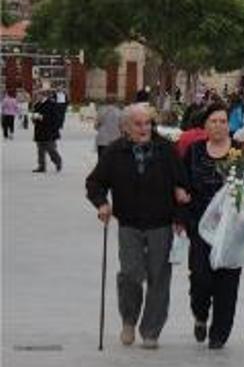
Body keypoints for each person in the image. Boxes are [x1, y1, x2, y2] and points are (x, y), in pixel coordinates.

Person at [85, 104, 188, 349]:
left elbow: (183, 184)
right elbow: (95, 183)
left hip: (160, 223)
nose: (144, 129)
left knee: (159, 278)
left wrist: (179, 216)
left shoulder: (166, 150)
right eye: (138, 124)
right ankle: (129, 320)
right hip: (129, 223)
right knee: (131, 274)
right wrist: (101, 204)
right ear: (126, 127)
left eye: (148, 124)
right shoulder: (114, 152)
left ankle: (151, 330)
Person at [180, 103, 244, 350]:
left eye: (223, 121)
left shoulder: (239, 152)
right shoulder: (193, 151)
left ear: (229, 124)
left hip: (231, 229)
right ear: (205, 125)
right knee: (201, 279)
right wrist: (181, 204)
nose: (218, 125)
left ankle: (219, 334)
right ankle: (200, 315)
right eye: (213, 121)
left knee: (227, 282)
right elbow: (181, 182)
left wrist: (240, 187)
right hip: (200, 227)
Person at [32, 90, 62, 173]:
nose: (37, 97)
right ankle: (41, 166)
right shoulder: (37, 104)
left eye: (38, 95)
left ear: (43, 96)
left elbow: (55, 118)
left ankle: (58, 161)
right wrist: (34, 118)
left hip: (49, 131)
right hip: (39, 131)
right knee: (40, 150)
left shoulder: (51, 104)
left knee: (50, 148)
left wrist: (42, 117)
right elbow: (35, 115)